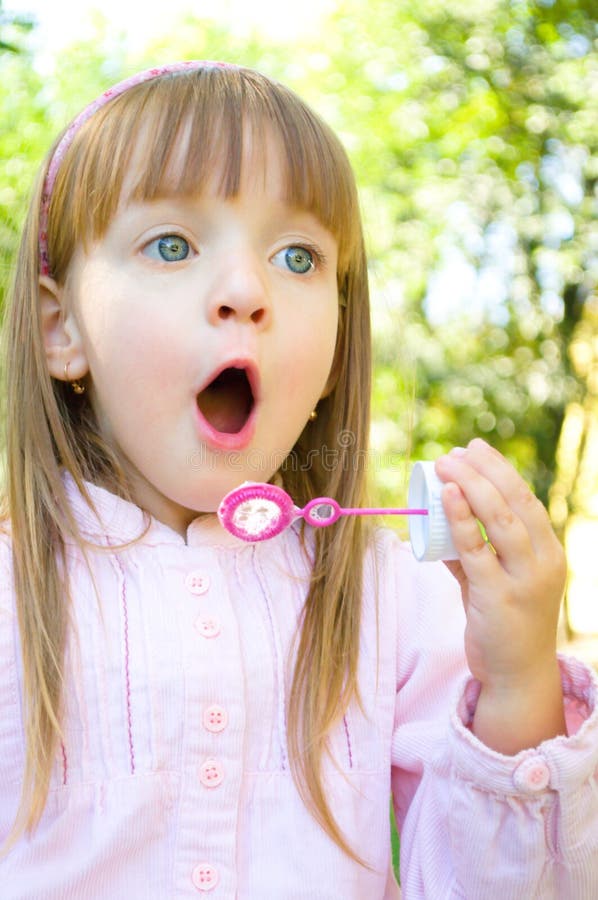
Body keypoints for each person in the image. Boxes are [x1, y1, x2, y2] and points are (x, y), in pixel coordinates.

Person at [0, 60, 596, 899]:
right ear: (63, 331)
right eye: (171, 245)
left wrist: (520, 680)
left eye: (297, 256)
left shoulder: (397, 599)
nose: (247, 291)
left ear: (330, 358)